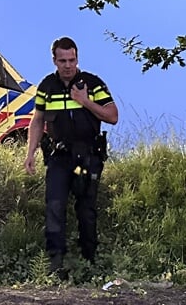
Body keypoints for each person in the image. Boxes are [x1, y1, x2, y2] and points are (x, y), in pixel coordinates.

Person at [24, 36, 118, 281]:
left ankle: (90, 263)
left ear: (77, 59)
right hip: (59, 158)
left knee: (86, 209)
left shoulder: (92, 83)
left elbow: (112, 116)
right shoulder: (47, 86)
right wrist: (30, 152)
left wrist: (85, 101)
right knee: (54, 207)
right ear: (54, 61)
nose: (68, 65)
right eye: (62, 60)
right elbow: (38, 120)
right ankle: (55, 268)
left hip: (87, 159)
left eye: (72, 60)